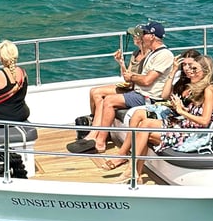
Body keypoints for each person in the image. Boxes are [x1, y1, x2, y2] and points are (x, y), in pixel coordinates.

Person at [68, 22, 174, 154]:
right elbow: (139, 78)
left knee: (109, 101)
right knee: (102, 97)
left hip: (148, 98)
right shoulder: (153, 53)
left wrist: (132, 77)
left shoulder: (164, 55)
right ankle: (96, 135)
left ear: (152, 36)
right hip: (139, 92)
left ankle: (100, 140)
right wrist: (127, 71)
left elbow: (147, 80)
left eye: (144, 33)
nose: (142, 36)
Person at [111, 53, 213, 180]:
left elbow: (205, 121)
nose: (190, 71)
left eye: (194, 68)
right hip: (184, 125)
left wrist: (181, 111)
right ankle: (134, 171)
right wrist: (183, 109)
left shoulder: (209, 90)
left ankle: (134, 170)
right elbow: (192, 111)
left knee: (144, 131)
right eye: (188, 67)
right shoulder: (197, 88)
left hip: (192, 135)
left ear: (206, 71)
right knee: (145, 124)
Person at [87, 26, 145, 118]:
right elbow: (127, 77)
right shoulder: (135, 53)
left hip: (135, 90)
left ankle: (97, 122)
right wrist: (121, 62)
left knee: (97, 93)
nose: (133, 37)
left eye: (135, 36)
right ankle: (94, 119)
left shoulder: (148, 56)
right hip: (130, 87)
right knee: (93, 91)